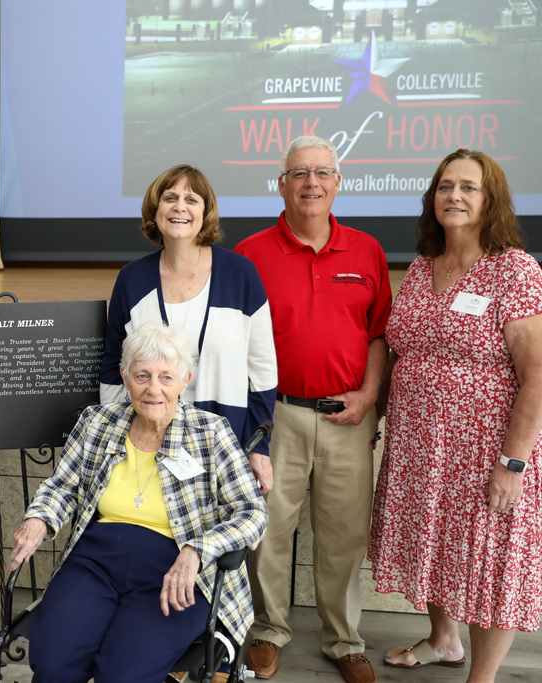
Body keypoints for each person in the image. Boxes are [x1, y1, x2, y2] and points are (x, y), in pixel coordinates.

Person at [9, 322, 267, 682]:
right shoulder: (97, 422)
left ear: (184, 380)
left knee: (122, 673)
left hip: (176, 571)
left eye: (165, 377)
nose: (153, 389)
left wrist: (198, 550)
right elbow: (61, 486)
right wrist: (39, 519)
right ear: (125, 377)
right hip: (95, 563)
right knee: (54, 663)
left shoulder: (211, 432)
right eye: (142, 375)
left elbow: (252, 512)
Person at [369, 149, 542, 682]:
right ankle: (444, 640)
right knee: (435, 540)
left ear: (491, 200)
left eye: (469, 187)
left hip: (485, 447)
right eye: (446, 186)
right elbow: (400, 348)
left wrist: (513, 461)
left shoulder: (513, 269)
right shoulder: (422, 268)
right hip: (421, 444)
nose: (455, 196)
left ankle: (482, 676)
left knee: (489, 559)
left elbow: (537, 373)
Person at [234, 136, 391, 683]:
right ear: (281, 183)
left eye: (323, 172)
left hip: (349, 417)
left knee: (345, 534)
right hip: (277, 416)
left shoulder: (367, 250)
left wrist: (370, 397)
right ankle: (268, 631)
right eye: (299, 172)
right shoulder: (250, 253)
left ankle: (344, 641)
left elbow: (378, 336)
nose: (311, 183)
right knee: (269, 531)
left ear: (338, 182)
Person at [100, 164, 277, 494]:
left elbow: (263, 370)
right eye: (170, 198)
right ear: (156, 211)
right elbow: (113, 366)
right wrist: (111, 439)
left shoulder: (241, 274)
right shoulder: (132, 279)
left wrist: (259, 446)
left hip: (225, 446)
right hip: (144, 444)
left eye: (191, 199)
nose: (180, 207)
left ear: (205, 212)